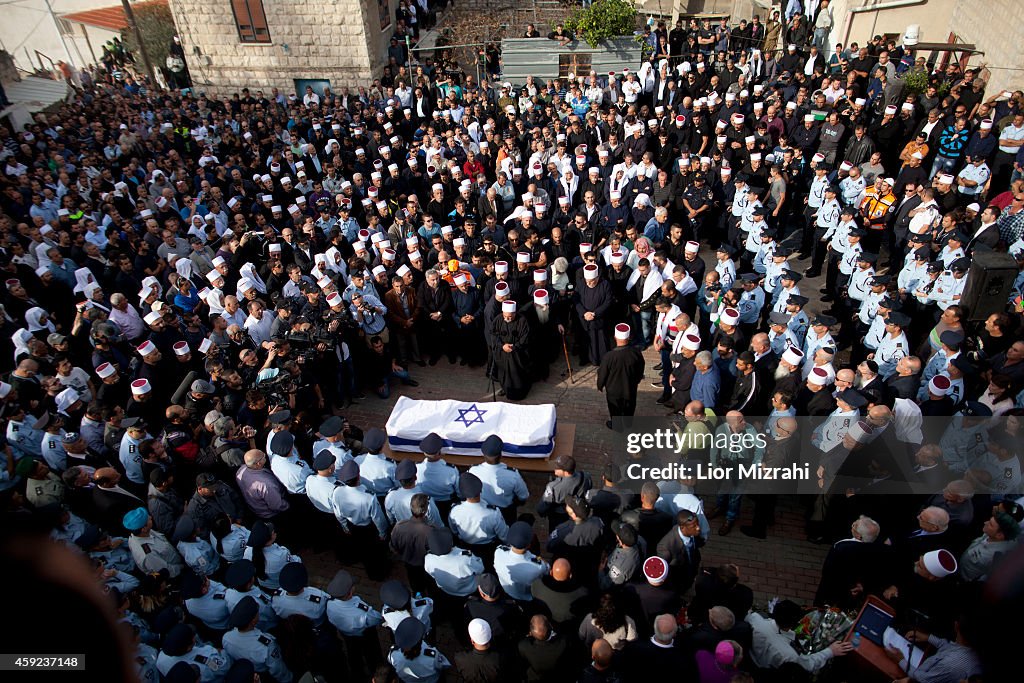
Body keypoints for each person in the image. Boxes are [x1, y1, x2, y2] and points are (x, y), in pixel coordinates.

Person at [597, 323, 646, 429]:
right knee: (630, 406)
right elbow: (640, 368)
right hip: (630, 387)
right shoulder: (636, 352)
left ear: (615, 337)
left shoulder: (609, 356)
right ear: (628, 337)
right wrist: (637, 380)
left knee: (614, 409)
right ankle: (628, 424)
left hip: (613, 390)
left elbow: (602, 373)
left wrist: (600, 385)